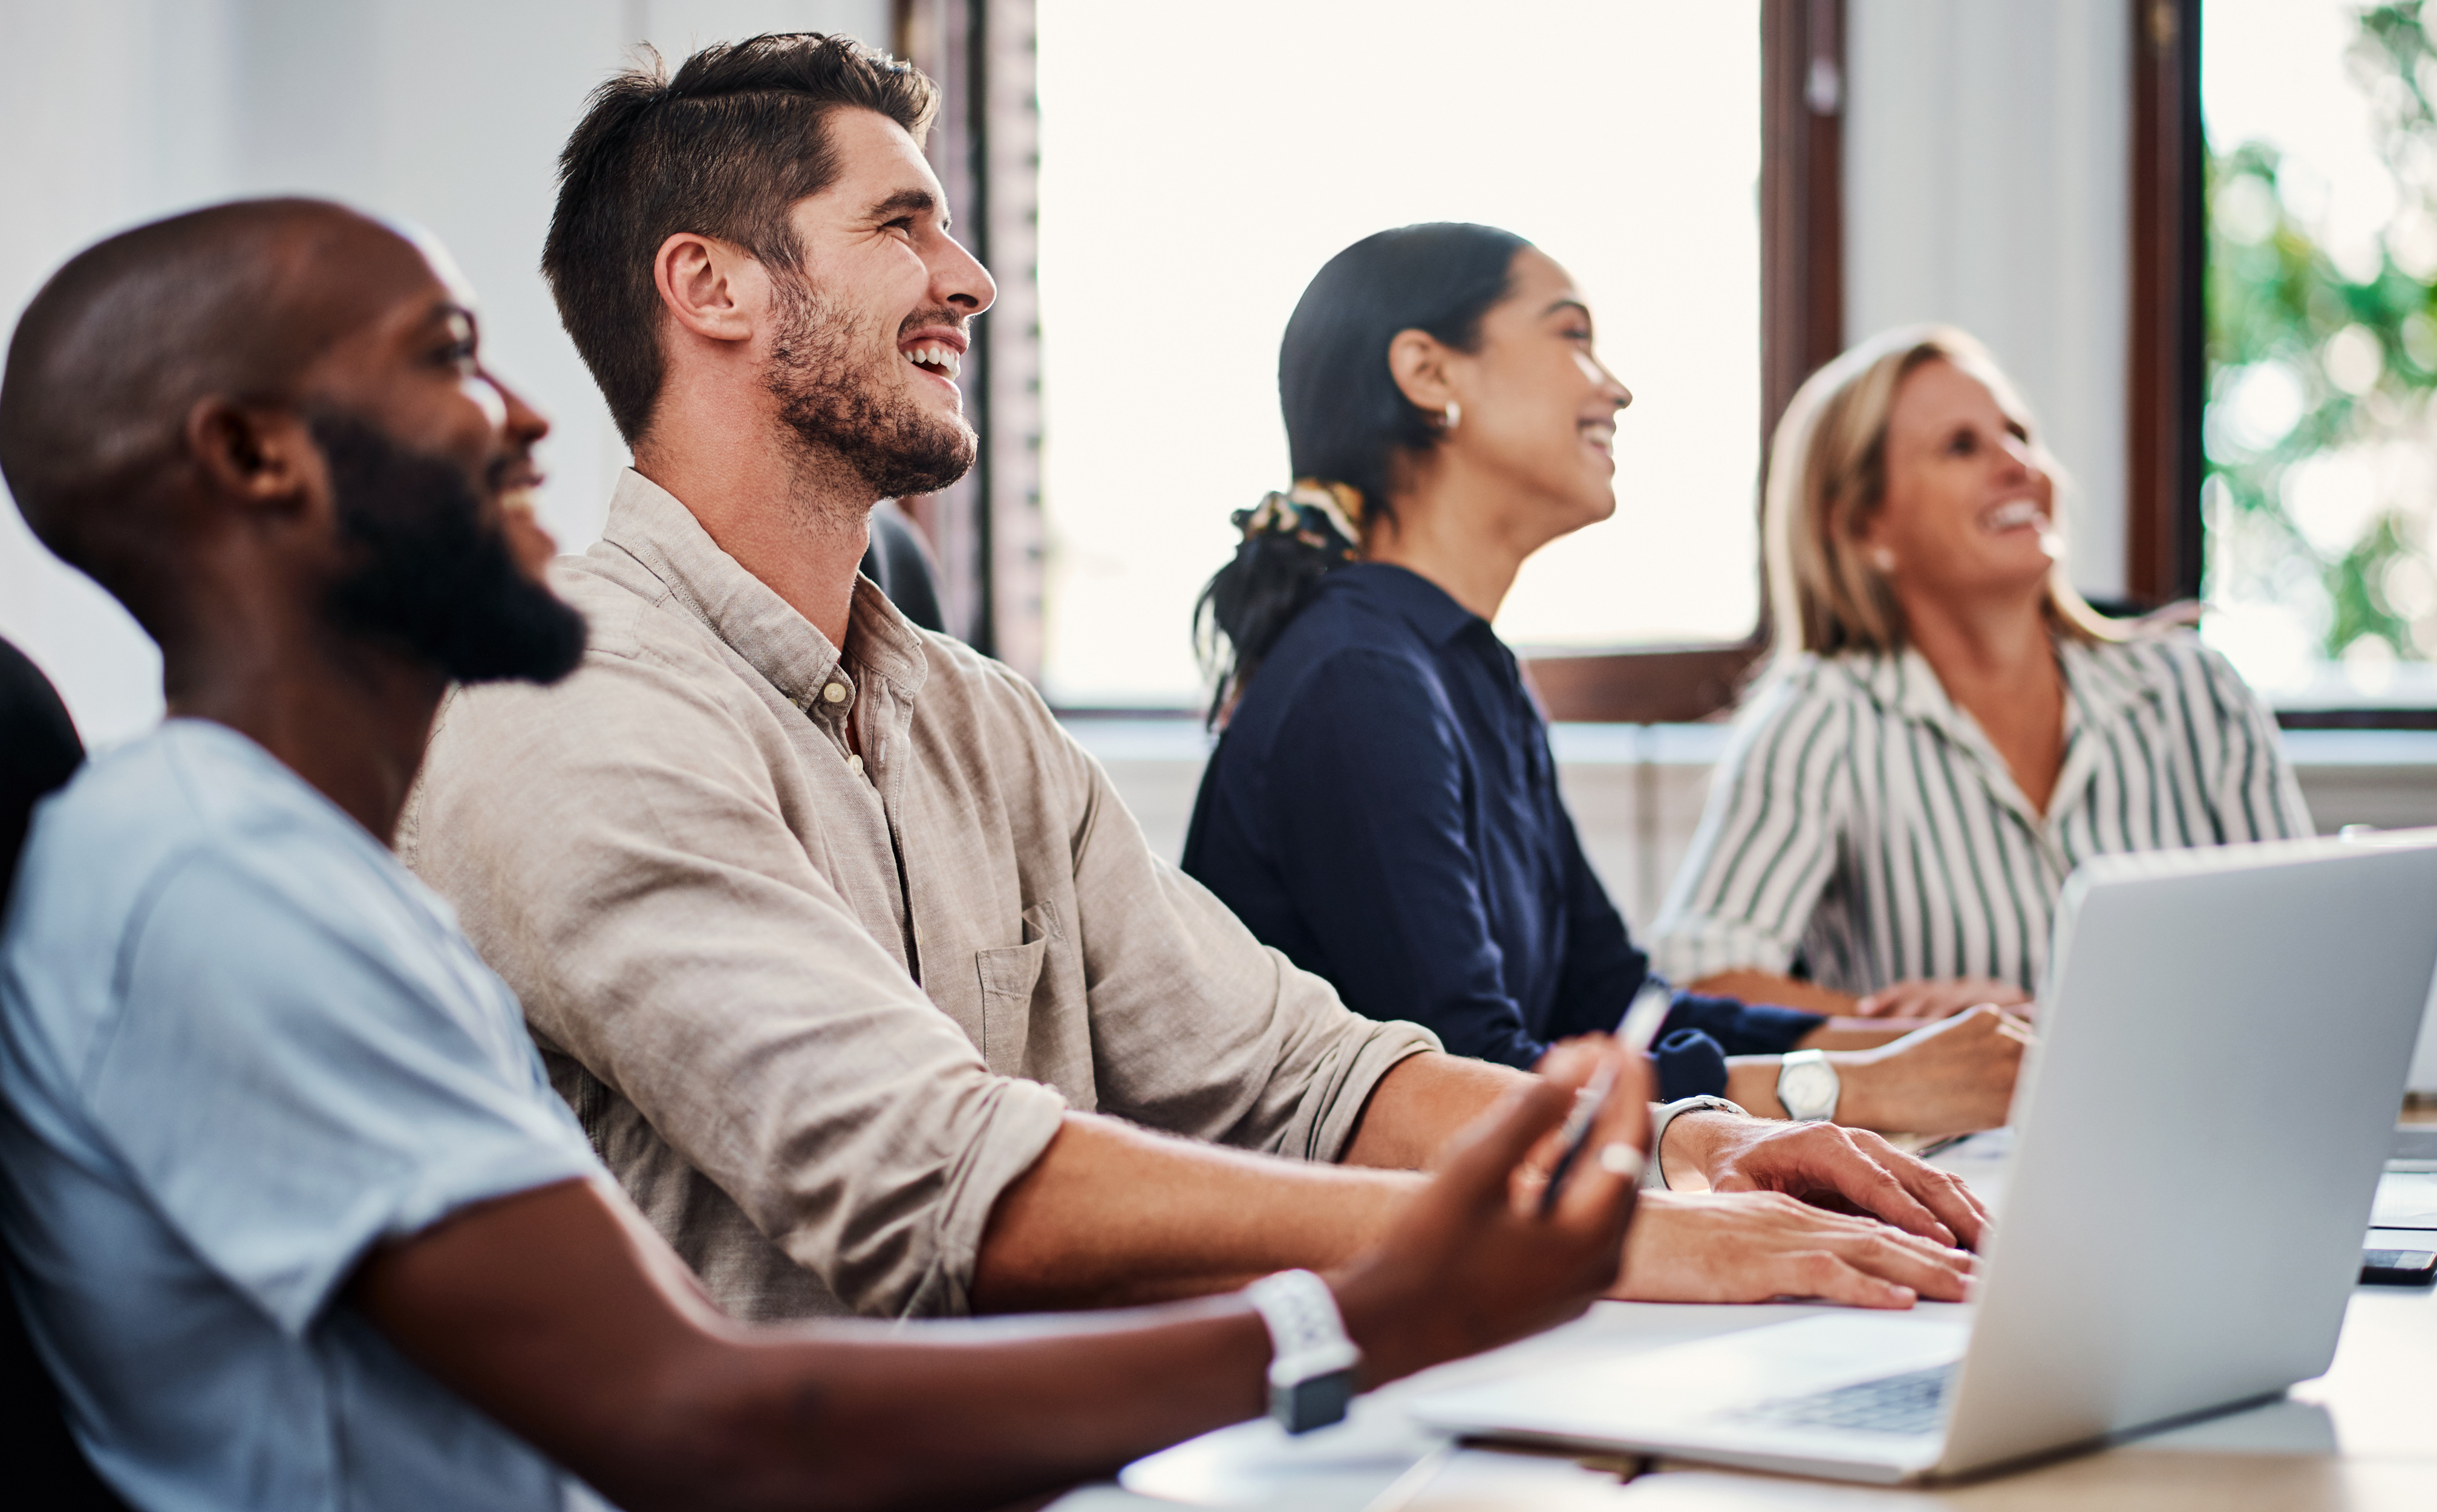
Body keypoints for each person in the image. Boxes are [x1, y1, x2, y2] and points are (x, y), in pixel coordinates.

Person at [0, 197, 1661, 1512]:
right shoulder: (211, 883)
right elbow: (695, 1414)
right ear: (251, 456)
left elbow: (1271, 1064)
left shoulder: (308, 872)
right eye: (445, 357)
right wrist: (1363, 1315)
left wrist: (1655, 1169)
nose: (519, 417)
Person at [400, 30, 1988, 1328]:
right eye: (899, 224)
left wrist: (1691, 1142)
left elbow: (1305, 1070)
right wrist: (1586, 1236)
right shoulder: (571, 709)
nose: (969, 279)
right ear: (712, 287)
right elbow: (935, 1178)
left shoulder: (978, 720)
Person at [1181, 225, 2026, 1136]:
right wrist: (1853, 1086)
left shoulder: (1468, 673)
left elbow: (1615, 1004)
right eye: (1572, 337)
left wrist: (1881, 1037)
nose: (1615, 388)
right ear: (1430, 375)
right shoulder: (1357, 681)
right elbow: (1475, 1087)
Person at [1649, 325, 2312, 1031]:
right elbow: (1698, 983)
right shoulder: (1820, 718)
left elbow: (2315, 946)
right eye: (1961, 446)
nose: (2017, 464)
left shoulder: (2197, 693)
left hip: (2209, 1125)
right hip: (1960, 1143)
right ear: (1867, 527)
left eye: (2020, 434)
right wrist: (1910, 1039)